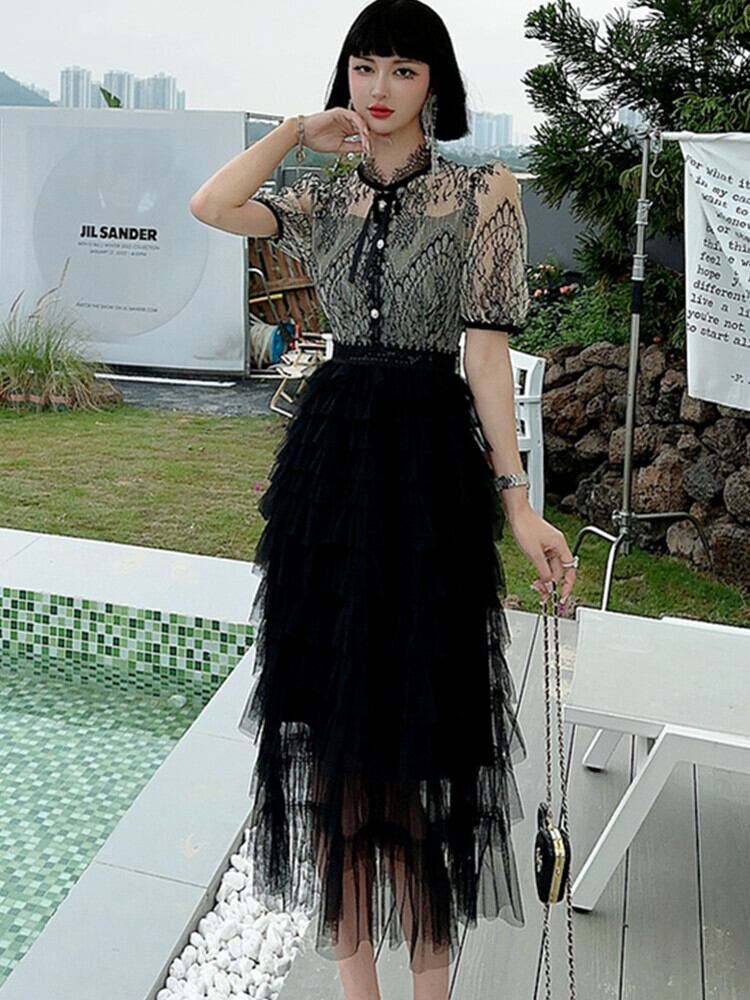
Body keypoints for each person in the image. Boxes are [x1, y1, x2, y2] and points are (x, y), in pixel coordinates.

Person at [190, 2, 578, 997]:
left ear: (434, 83)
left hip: (426, 479)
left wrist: (518, 503)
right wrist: (293, 130)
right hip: (330, 478)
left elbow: (485, 359)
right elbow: (211, 204)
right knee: (335, 758)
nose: (378, 87)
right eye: (364, 66)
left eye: (402, 68)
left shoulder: (483, 193)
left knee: (419, 755)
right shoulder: (322, 199)